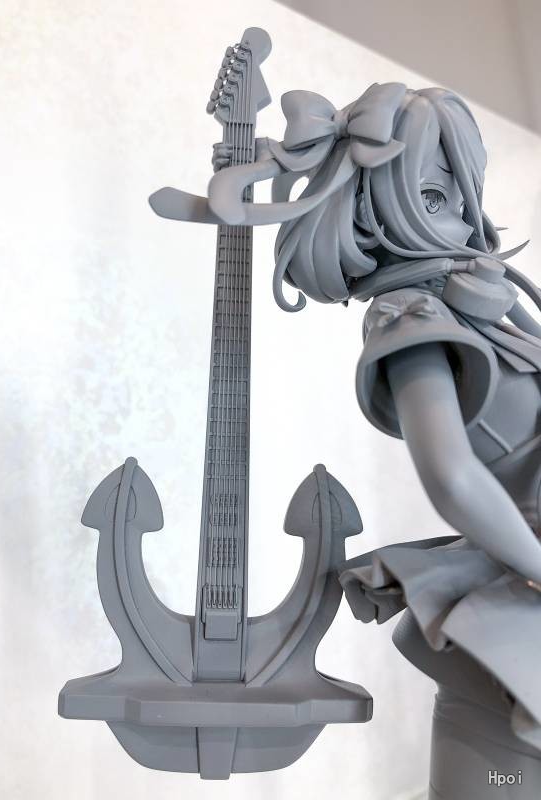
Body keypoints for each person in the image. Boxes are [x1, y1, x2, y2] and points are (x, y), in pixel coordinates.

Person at [198, 82, 541, 798]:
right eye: (433, 197)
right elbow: (451, 477)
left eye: (463, 194)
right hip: (517, 606)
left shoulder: (489, 310)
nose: (461, 219)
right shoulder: (412, 320)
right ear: (369, 212)